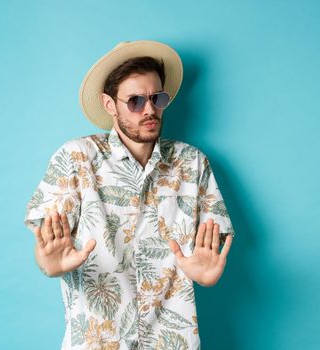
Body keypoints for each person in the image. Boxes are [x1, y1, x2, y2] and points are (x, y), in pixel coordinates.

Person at [24, 40, 235, 350]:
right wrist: (48, 265)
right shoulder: (76, 158)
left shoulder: (192, 163)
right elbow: (48, 251)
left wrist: (205, 273)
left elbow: (211, 247)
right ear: (110, 105)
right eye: (135, 101)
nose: (149, 110)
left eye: (157, 98)